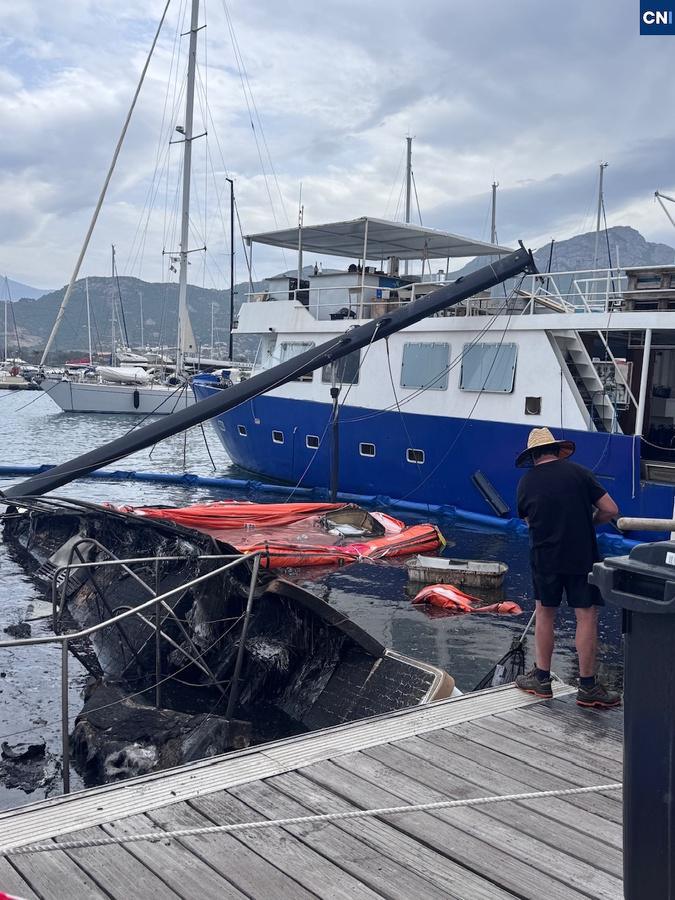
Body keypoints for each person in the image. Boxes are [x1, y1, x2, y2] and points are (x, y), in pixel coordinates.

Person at [514, 427, 621, 709]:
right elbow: (611, 509)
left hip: (544, 557)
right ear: (556, 450)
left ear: (533, 456)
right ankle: (587, 687)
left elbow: (528, 521)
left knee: (545, 614)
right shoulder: (580, 474)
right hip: (581, 556)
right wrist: (590, 523)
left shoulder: (526, 483)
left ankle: (541, 680)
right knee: (586, 616)